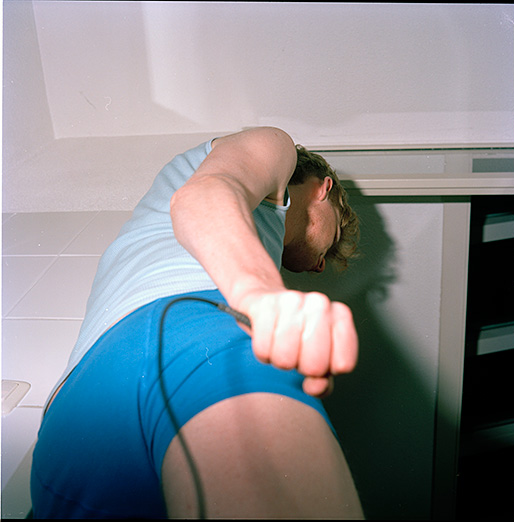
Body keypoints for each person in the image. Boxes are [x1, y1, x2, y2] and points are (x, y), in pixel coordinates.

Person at [30, 126, 364, 519]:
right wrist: (262, 297)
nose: (323, 264)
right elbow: (203, 196)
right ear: (325, 189)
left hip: (75, 412)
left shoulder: (243, 245)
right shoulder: (276, 147)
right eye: (336, 232)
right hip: (197, 338)